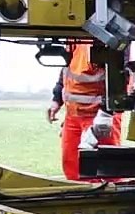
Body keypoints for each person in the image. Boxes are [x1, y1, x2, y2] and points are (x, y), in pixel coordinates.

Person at [48, 41, 124, 181]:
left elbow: (122, 77)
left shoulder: (105, 40)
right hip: (73, 116)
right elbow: (66, 71)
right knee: (72, 166)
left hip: (99, 115)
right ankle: (79, 197)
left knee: (107, 170)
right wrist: (57, 99)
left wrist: (106, 114)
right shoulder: (73, 41)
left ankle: (111, 200)